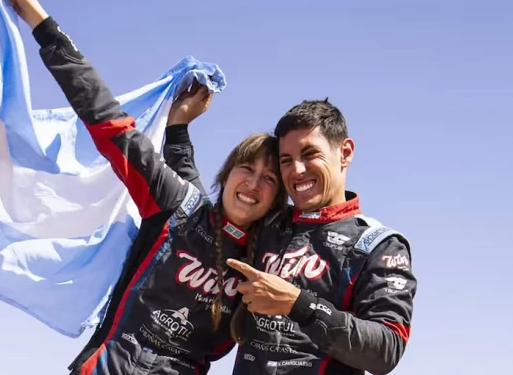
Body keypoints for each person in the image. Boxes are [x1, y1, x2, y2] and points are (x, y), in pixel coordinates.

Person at [0, 0, 288, 374]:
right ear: (226, 174)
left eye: (268, 179)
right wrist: (39, 20)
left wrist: (178, 128)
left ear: (278, 198)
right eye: (246, 168)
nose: (252, 184)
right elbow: (106, 118)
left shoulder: (274, 257)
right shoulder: (180, 207)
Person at [168, 99, 417, 375]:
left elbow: (386, 349)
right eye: (286, 161)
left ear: (345, 153)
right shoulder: (265, 224)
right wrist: (178, 130)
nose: (297, 170)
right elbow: (201, 213)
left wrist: (298, 304)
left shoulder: (379, 245)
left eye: (310, 154)